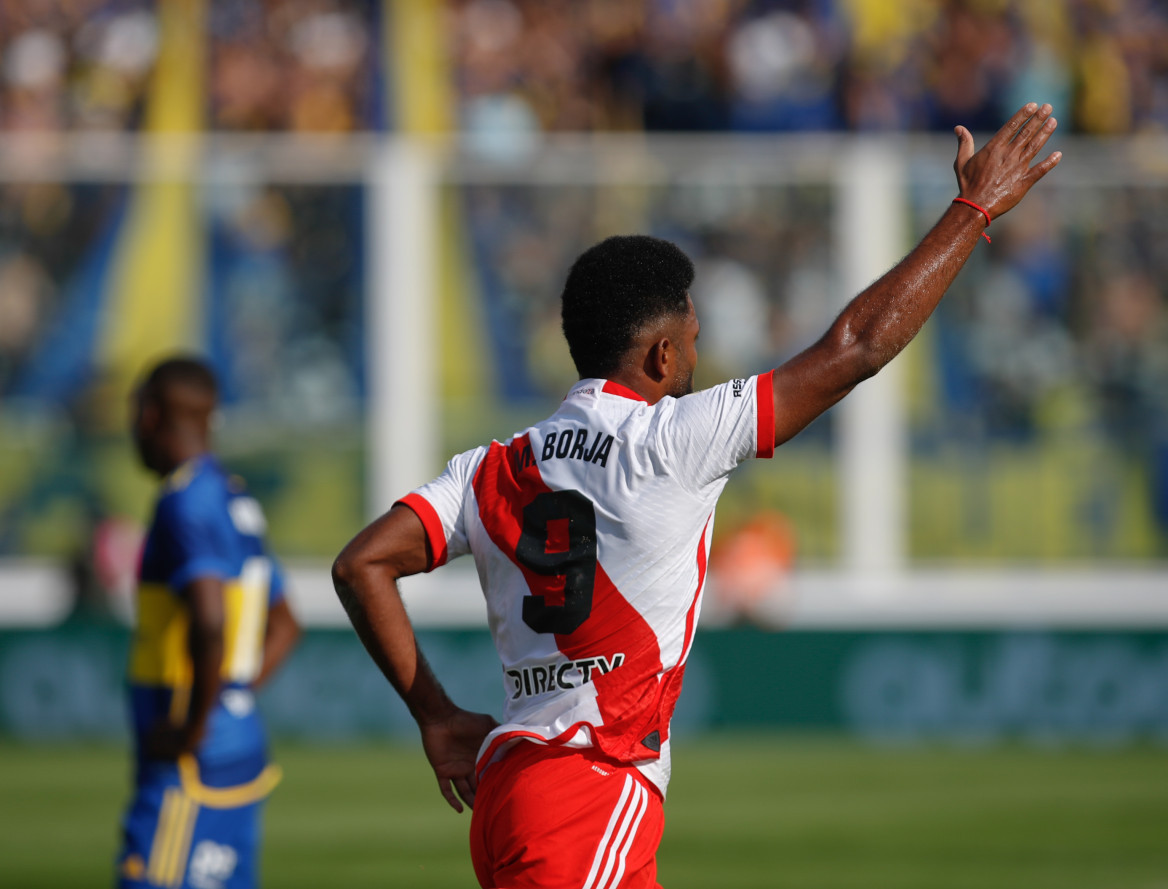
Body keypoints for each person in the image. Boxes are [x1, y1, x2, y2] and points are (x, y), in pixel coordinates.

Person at [332, 102, 1061, 888]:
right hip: (591, 786)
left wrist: (436, 717)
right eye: (693, 335)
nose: (699, 350)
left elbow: (360, 564)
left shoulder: (490, 468)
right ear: (659, 351)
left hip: (513, 785)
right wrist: (972, 211)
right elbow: (856, 347)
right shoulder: (672, 439)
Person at [117, 356, 301, 889]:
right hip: (238, 747)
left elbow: (209, 617)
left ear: (150, 416)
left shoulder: (184, 501)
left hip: (191, 764)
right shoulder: (233, 496)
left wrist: (197, 725)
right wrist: (234, 697)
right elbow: (287, 623)